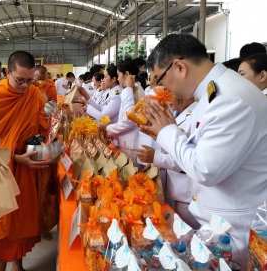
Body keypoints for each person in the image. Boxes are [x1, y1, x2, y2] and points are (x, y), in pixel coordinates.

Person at [141, 33, 267, 267]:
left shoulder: (228, 98)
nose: (161, 89)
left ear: (179, 67)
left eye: (160, 79)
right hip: (216, 225)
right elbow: (194, 151)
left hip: (233, 233)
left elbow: (205, 169)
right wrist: (166, 134)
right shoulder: (211, 93)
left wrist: (168, 132)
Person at [0, 51, 49, 271]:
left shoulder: (33, 94)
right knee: (2, 218)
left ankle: (18, 264)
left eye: (30, 81)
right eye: (20, 80)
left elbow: (40, 125)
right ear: (7, 72)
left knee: (21, 219)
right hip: (3, 169)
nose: (25, 85)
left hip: (26, 167)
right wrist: (16, 158)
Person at [136, 97, 200, 229]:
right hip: (174, 185)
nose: (169, 97)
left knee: (187, 231)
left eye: (171, 92)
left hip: (187, 190)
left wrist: (156, 158)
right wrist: (156, 162)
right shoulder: (176, 114)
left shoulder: (196, 116)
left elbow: (191, 158)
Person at [104, 60, 145, 151]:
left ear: (126, 74)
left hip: (131, 144)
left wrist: (108, 128)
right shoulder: (131, 90)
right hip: (127, 142)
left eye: (118, 75)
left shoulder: (135, 91)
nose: (118, 79)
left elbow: (128, 121)